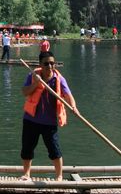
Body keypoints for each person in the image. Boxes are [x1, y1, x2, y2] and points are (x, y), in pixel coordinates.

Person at [20, 51, 78, 181]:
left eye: (52, 63)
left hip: (49, 122)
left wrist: (73, 107)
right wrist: (36, 83)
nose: (50, 66)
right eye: (46, 64)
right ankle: (26, 174)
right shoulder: (33, 75)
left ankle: (59, 176)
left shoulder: (59, 79)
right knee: (27, 148)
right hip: (31, 120)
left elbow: (68, 95)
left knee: (54, 150)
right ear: (40, 64)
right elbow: (24, 92)